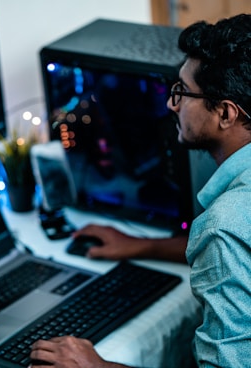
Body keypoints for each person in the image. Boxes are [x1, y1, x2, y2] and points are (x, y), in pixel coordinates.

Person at [29, 14, 251, 368]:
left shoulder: (224, 226)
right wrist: (142, 245)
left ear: (225, 114)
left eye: (182, 92)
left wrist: (98, 367)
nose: (171, 105)